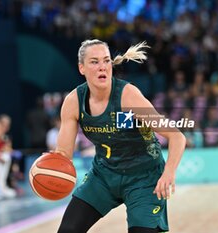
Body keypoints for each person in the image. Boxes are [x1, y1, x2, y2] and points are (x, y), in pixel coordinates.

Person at [54, 39, 186, 233]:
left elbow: (176, 137)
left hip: (144, 179)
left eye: (106, 61)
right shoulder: (74, 102)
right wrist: (52, 165)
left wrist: (169, 173)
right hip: (104, 175)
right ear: (81, 68)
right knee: (68, 230)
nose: (102, 67)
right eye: (94, 62)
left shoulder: (128, 95)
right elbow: (64, 154)